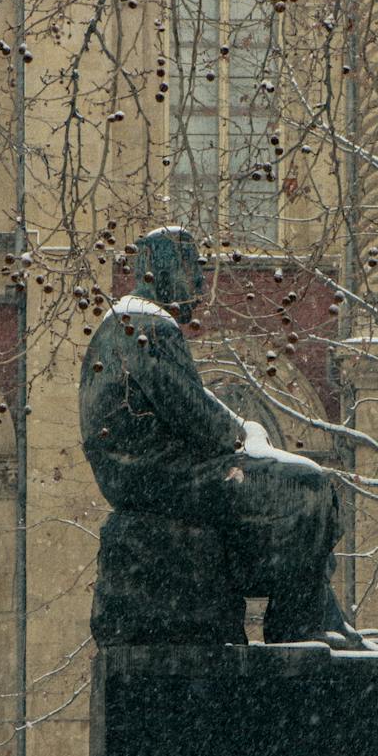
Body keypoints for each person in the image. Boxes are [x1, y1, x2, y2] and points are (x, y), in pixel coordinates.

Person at [78, 226, 359, 647]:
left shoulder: (121, 324)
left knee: (297, 493)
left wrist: (241, 434)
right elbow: (196, 415)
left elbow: (187, 401)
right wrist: (244, 439)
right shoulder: (148, 325)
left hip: (140, 476)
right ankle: (299, 626)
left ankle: (320, 617)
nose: (198, 285)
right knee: (310, 488)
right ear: (160, 270)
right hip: (159, 477)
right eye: (192, 269)